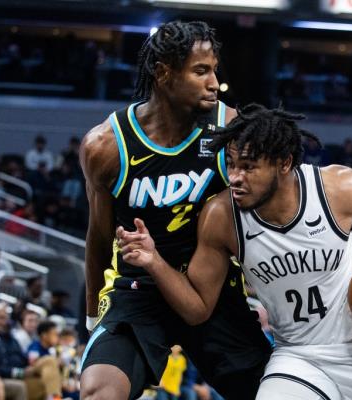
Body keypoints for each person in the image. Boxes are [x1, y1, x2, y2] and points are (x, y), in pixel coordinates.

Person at [117, 104, 352, 399]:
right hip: (299, 357)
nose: (234, 178)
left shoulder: (337, 188)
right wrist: (153, 261)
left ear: (284, 163)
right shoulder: (222, 217)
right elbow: (198, 309)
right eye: (230, 164)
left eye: (248, 166)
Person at [79, 21, 271, 400]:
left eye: (214, 70)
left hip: (211, 289)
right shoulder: (106, 146)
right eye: (201, 71)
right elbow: (98, 237)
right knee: (99, 393)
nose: (214, 82)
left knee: (274, 393)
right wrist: (91, 316)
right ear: (164, 72)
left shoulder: (228, 129)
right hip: (139, 291)